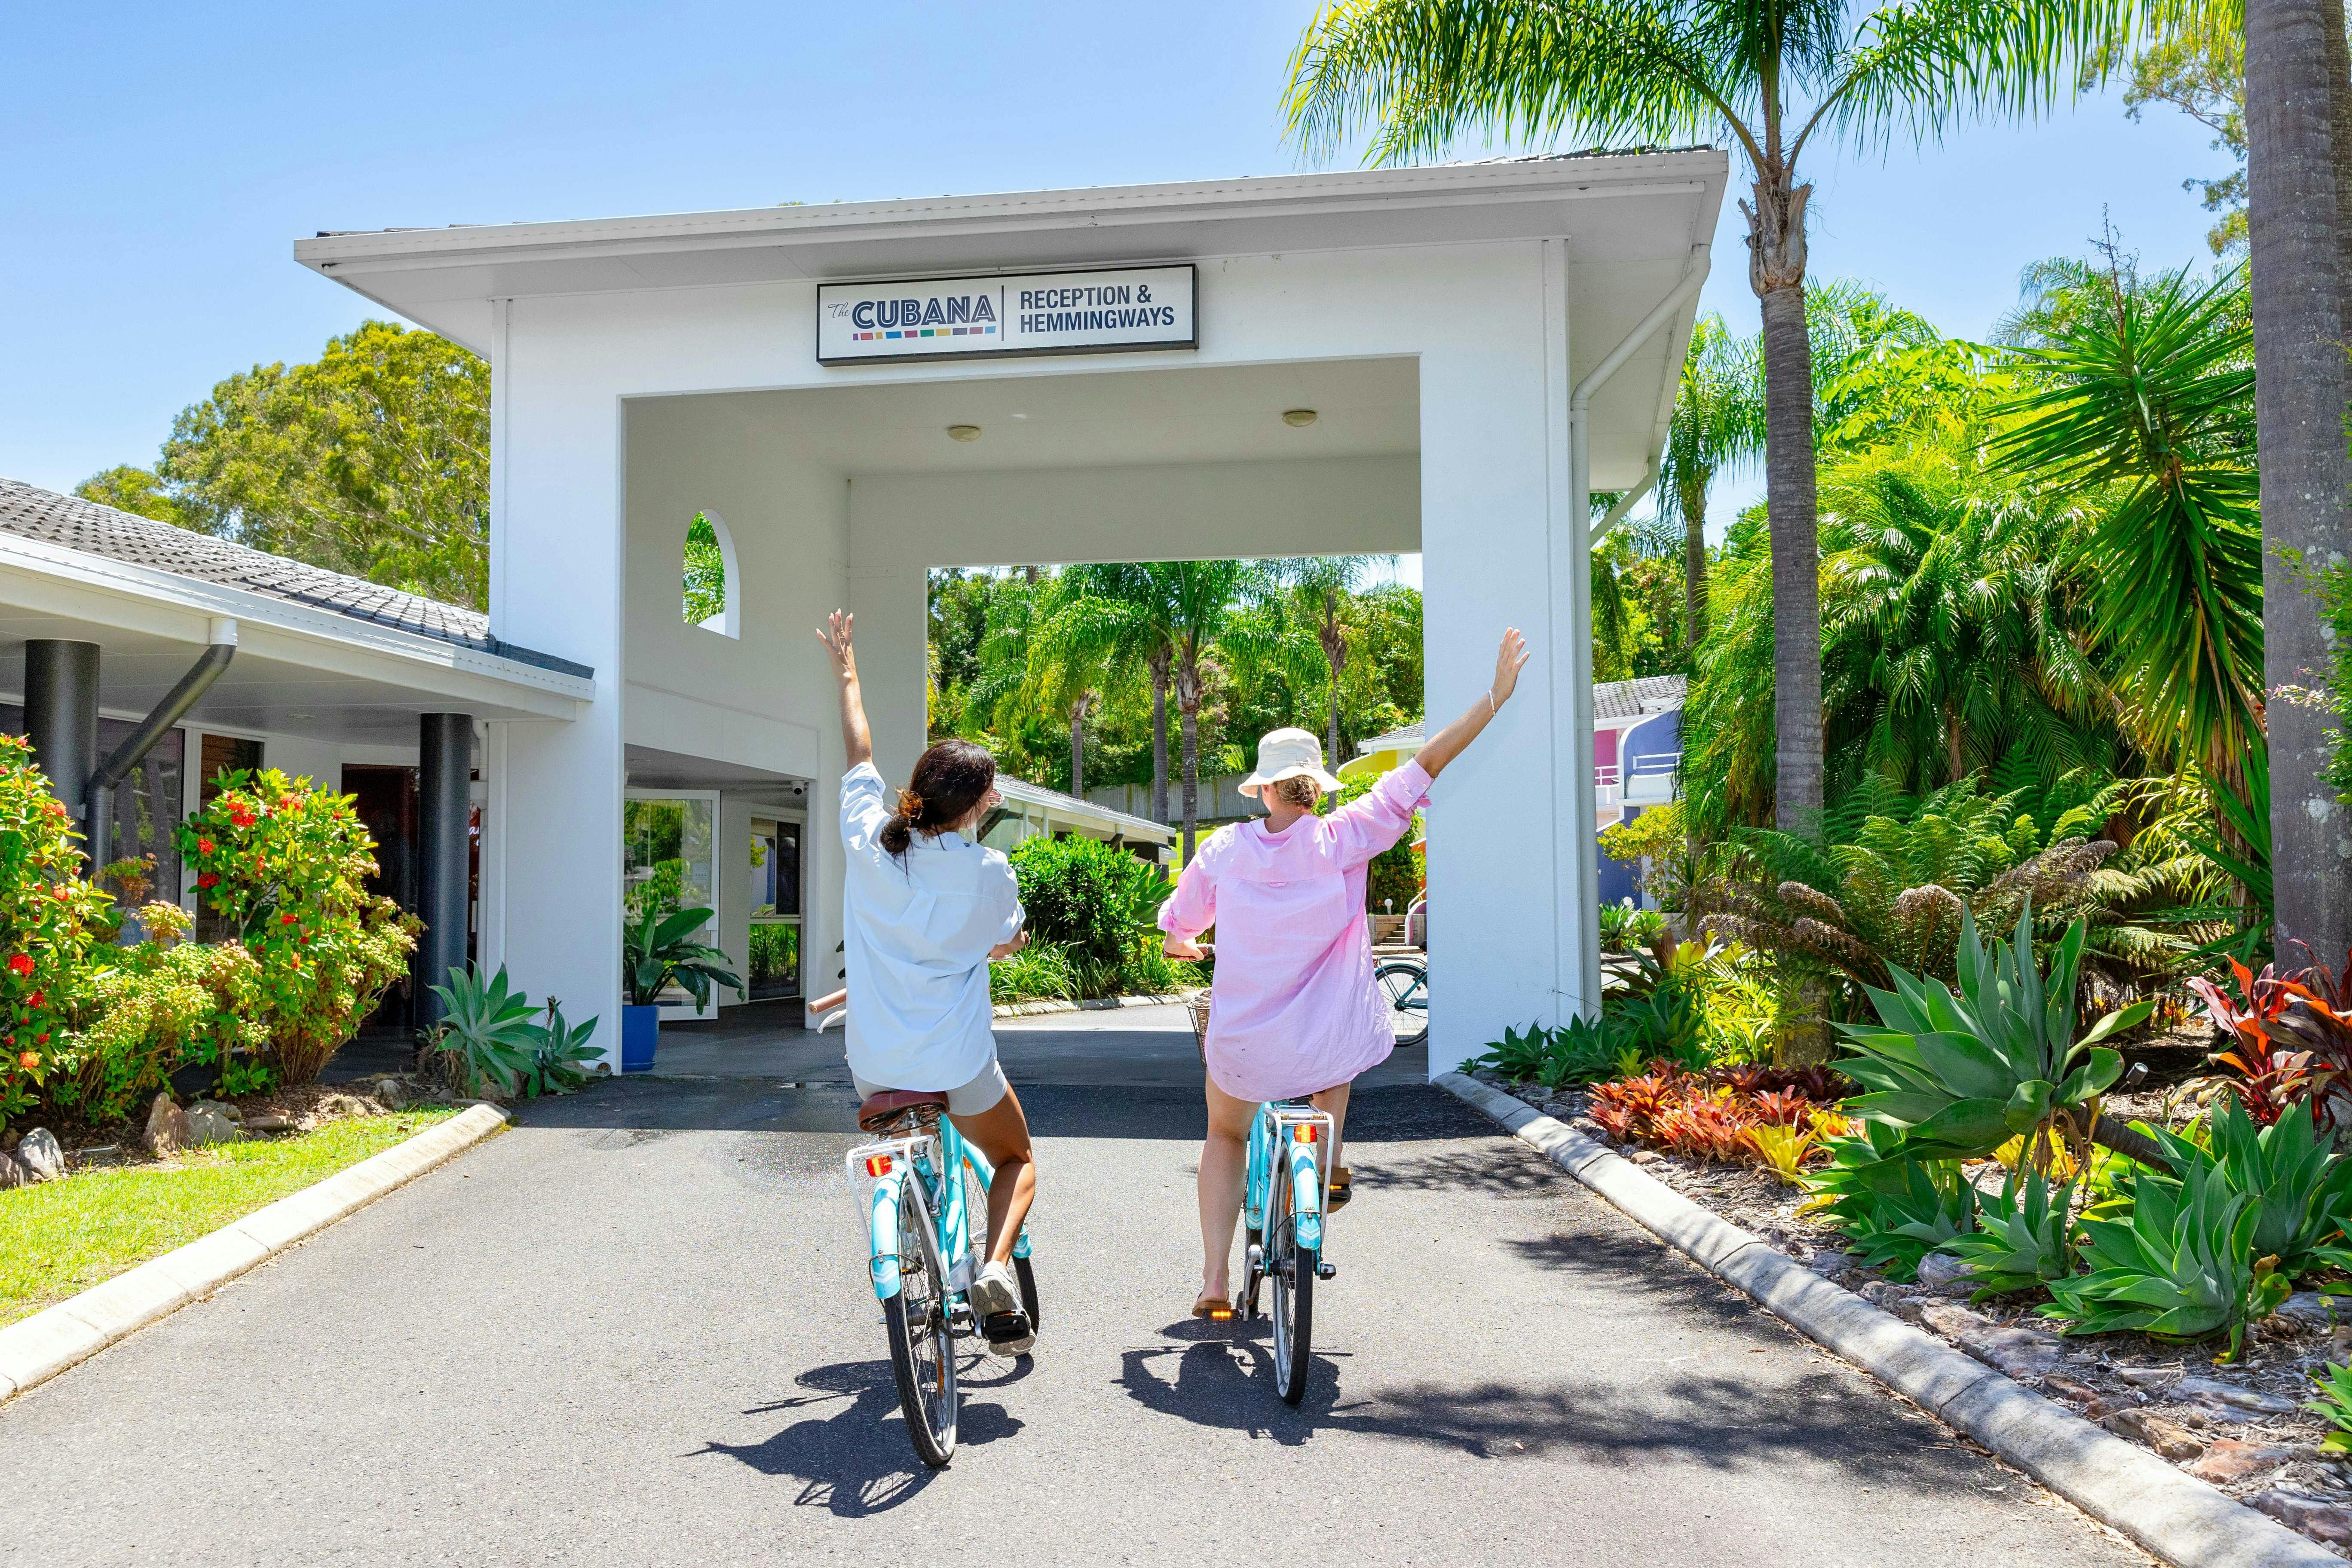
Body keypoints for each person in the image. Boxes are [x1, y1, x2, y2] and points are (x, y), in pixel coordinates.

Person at [1161, 627, 1530, 1319]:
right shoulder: (1346, 834)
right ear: (1316, 786)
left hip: (1244, 1045)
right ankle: (1329, 1164)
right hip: (1324, 1043)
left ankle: (1214, 1281)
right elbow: (1427, 762)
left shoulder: (1223, 851)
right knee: (1341, 1025)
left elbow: (1180, 924)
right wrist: (1493, 697)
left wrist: (1182, 945)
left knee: (1225, 1134)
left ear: (1263, 788)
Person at [817, 609, 1038, 1353]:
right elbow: (1004, 939)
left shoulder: (868, 844)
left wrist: (847, 670)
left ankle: (909, 1234)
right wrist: (1003, 944)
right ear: (976, 808)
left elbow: (859, 751)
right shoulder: (989, 874)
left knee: (902, 1126)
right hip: (957, 1063)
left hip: (874, 1060)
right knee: (1015, 1159)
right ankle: (995, 1266)